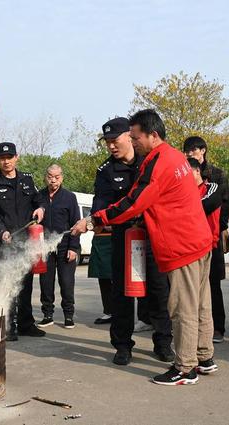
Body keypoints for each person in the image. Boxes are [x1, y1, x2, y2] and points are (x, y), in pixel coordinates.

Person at [72, 110, 214, 385]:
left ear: (153, 135)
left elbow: (134, 202)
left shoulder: (157, 163)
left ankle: (185, 368)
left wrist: (93, 220)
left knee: (180, 307)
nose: (133, 142)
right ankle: (204, 356)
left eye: (134, 137)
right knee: (199, 304)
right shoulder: (174, 156)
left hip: (180, 244)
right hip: (197, 240)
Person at [90, 117, 173, 365]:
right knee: (122, 295)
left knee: (159, 291)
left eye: (115, 140)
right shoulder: (105, 171)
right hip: (123, 238)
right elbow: (101, 203)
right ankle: (123, 346)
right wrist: (97, 218)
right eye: (107, 143)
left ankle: (163, 343)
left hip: (152, 235)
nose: (111, 146)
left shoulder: (149, 161)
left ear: (129, 136)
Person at [0, 142, 46, 341]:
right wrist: (2, 231)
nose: (6, 161)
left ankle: (26, 323)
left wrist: (41, 208)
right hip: (5, 242)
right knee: (7, 283)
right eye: (2, 158)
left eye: (9, 157)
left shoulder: (27, 180)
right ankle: (8, 325)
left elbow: (38, 200)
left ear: (16, 157)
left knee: (25, 284)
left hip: (25, 241)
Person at [183, 136, 229, 343]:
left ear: (203, 150)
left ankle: (217, 327)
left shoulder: (217, 174)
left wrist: (219, 229)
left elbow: (225, 204)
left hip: (211, 236)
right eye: (187, 150)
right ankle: (195, 328)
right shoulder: (183, 172)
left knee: (212, 284)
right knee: (191, 286)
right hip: (188, 238)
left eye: (193, 150)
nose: (189, 153)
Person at [37, 164, 80, 329]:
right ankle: (47, 314)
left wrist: (73, 247)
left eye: (56, 177)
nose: (53, 180)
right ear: (45, 177)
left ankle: (69, 315)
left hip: (65, 245)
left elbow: (76, 222)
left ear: (62, 177)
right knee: (45, 282)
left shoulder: (69, 197)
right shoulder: (39, 196)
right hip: (45, 246)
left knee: (67, 282)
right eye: (50, 176)